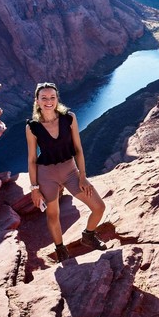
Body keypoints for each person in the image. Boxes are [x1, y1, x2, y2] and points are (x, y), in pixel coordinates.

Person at [26, 82, 107, 262]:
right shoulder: (32, 127)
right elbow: (32, 159)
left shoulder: (68, 118)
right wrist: (34, 188)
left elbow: (78, 148)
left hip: (70, 171)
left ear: (57, 99)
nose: (49, 101)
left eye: (52, 97)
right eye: (44, 98)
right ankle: (60, 249)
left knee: (99, 207)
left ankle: (88, 235)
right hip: (47, 175)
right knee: (53, 214)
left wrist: (83, 176)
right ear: (37, 101)